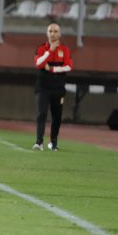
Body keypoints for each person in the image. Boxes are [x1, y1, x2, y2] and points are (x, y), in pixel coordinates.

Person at [33, 23, 73, 151]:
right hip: (43, 88)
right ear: (47, 33)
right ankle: (39, 142)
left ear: (59, 34)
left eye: (55, 31)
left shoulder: (65, 49)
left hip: (58, 89)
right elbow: (39, 63)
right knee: (42, 114)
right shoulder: (41, 48)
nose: (53, 34)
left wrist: (52, 68)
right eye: (50, 31)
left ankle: (53, 143)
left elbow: (68, 66)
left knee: (57, 116)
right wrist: (50, 50)